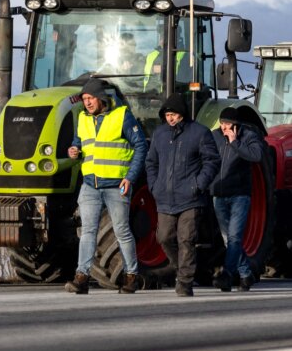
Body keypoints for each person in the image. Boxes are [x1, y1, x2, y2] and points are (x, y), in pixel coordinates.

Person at [64, 78, 148, 295]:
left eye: (90, 98)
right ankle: (81, 277)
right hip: (90, 185)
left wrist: (130, 177)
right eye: (84, 99)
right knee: (88, 233)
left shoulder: (121, 116)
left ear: (101, 98)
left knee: (122, 231)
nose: (87, 103)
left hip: (116, 186)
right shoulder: (82, 118)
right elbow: (78, 143)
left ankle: (131, 276)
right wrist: (74, 150)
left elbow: (140, 145)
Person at [146, 92, 220, 296]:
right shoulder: (159, 134)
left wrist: (198, 185)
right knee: (164, 237)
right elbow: (151, 162)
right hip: (165, 198)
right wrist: (155, 186)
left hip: (191, 198)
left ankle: (185, 282)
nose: (170, 118)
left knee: (186, 239)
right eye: (167, 114)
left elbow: (212, 161)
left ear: (182, 114)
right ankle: (181, 270)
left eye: (174, 114)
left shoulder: (200, 133)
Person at [210, 106, 269, 291]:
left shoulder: (248, 136)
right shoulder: (214, 136)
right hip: (218, 194)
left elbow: (256, 155)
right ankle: (245, 274)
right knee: (228, 239)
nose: (224, 127)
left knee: (234, 237)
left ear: (236, 125)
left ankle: (227, 275)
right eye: (222, 123)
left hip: (239, 195)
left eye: (228, 124)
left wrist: (235, 142)